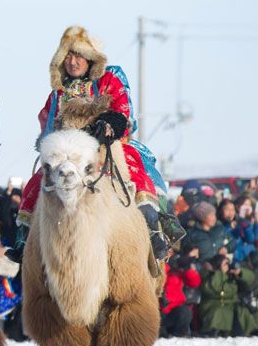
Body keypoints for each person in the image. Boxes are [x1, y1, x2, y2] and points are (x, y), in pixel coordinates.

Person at [15, 26, 184, 262]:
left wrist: (107, 124)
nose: (73, 62)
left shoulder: (109, 80)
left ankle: (152, 229)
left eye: (78, 56)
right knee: (35, 184)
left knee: (136, 170)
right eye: (68, 56)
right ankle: (24, 241)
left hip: (105, 144)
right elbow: (48, 126)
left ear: (90, 59)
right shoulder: (57, 94)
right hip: (68, 153)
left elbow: (123, 112)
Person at [161, 246, 201, 337]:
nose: (169, 254)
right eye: (167, 251)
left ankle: (180, 335)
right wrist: (166, 265)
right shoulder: (158, 265)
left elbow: (194, 283)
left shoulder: (178, 267)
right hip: (159, 307)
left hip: (174, 307)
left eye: (171, 252)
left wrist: (187, 269)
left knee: (186, 311)